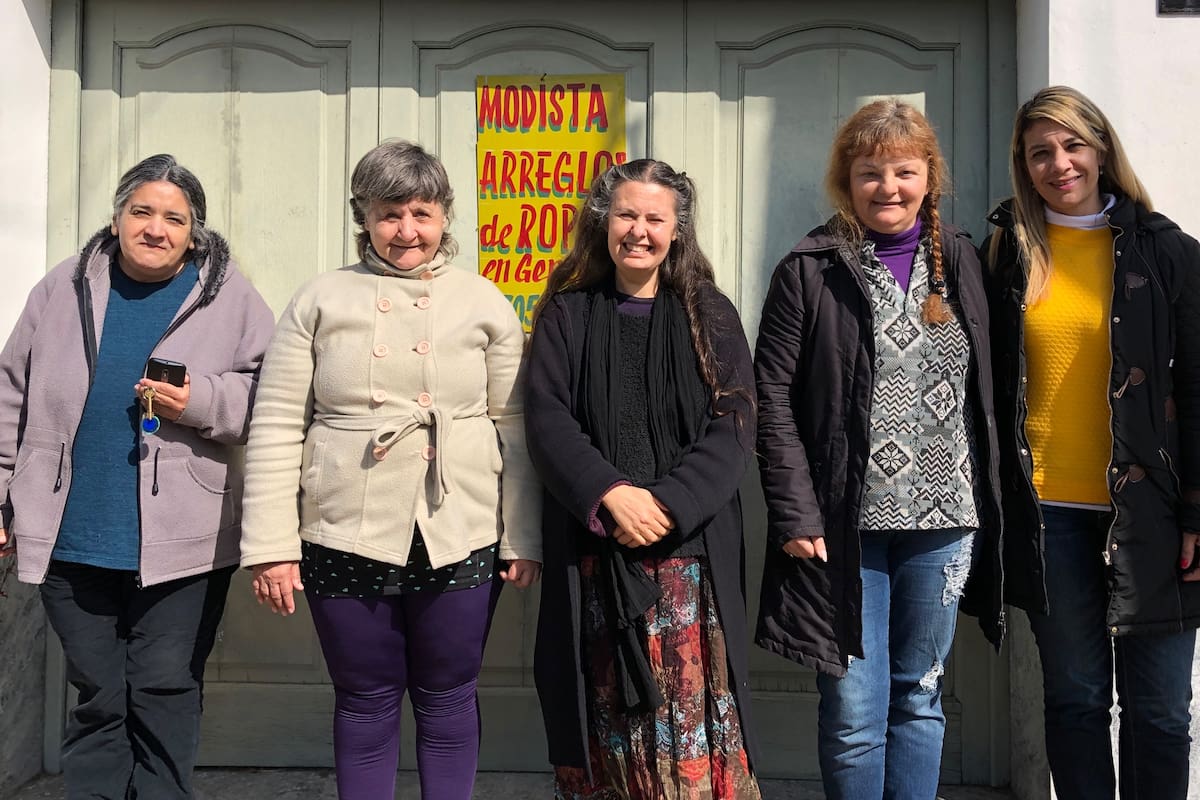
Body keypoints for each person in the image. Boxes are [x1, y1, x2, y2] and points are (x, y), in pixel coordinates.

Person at [239, 139, 542, 800]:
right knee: (366, 700)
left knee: (449, 697)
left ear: (445, 216)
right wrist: (269, 545)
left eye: (422, 213)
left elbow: (515, 426)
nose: (407, 230)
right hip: (344, 528)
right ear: (364, 217)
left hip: (460, 525)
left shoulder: (484, 301)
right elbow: (277, 423)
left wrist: (523, 536)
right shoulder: (320, 299)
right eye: (390, 213)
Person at [0, 153, 274, 799]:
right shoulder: (63, 287)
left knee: (165, 686)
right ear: (118, 217)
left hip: (187, 541)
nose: (156, 228)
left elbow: (272, 394)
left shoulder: (228, 294)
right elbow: (10, 391)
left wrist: (200, 400)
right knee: (99, 692)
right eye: (142, 211)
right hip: (74, 532)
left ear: (194, 231)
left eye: (173, 218)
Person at [753, 99, 1004, 800]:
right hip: (841, 530)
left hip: (945, 521)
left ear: (929, 176)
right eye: (870, 173)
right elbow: (769, 396)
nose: (887, 187)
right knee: (855, 711)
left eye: (903, 170)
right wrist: (796, 513)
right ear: (846, 180)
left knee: (919, 695)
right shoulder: (810, 269)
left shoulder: (962, 262)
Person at [983, 85, 1200, 800]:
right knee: (1076, 703)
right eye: (1041, 151)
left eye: (1073, 144)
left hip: (1154, 515)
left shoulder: (1167, 252)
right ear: (1024, 162)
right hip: (1049, 514)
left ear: (1101, 150)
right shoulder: (1007, 252)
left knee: (1161, 711)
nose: (1059, 163)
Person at [524, 159, 761, 800]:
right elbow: (548, 419)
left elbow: (733, 421)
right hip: (597, 556)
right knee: (609, 719)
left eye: (655, 218)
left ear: (678, 230)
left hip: (690, 560)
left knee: (694, 721)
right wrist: (610, 495)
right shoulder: (567, 315)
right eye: (626, 214)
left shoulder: (708, 313)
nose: (639, 231)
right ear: (603, 221)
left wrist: (668, 503)